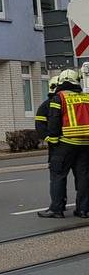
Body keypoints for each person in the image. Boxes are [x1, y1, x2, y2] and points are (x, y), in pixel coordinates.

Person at [40, 69, 89, 218]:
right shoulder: (86, 97)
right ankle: (83, 210)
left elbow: (54, 120)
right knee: (84, 177)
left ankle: (56, 209)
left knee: (58, 175)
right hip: (86, 144)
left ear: (61, 81)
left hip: (66, 143)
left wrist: (52, 139)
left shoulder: (59, 98)